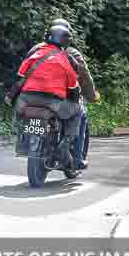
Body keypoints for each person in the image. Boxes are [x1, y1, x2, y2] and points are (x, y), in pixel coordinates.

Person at [24, 19, 99, 170]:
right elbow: (84, 78)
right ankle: (76, 157)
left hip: (32, 96)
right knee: (81, 113)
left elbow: (24, 71)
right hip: (59, 98)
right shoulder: (71, 53)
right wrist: (91, 96)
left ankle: (26, 141)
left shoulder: (36, 50)